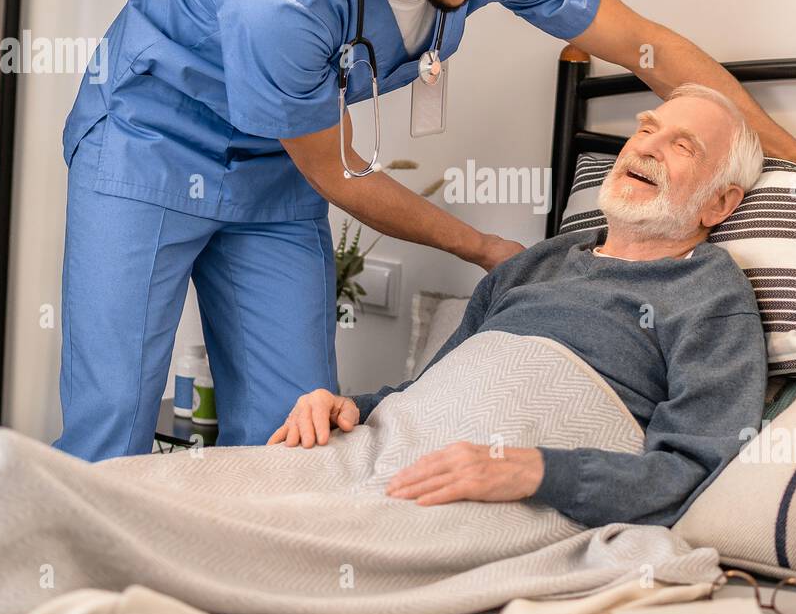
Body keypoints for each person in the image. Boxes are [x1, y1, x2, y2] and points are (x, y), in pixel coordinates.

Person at [56, 0, 796, 461]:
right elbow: (341, 174)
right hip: (151, 145)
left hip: (280, 169)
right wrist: (490, 252)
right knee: (113, 420)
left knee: (293, 427)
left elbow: (644, 46)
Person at [268, 84, 769, 528]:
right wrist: (350, 406)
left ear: (719, 205)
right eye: (645, 130)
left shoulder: (712, 294)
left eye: (682, 146)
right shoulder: (534, 265)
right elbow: (428, 393)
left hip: (495, 500)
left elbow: (692, 469)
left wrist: (535, 471)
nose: (647, 149)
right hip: (387, 450)